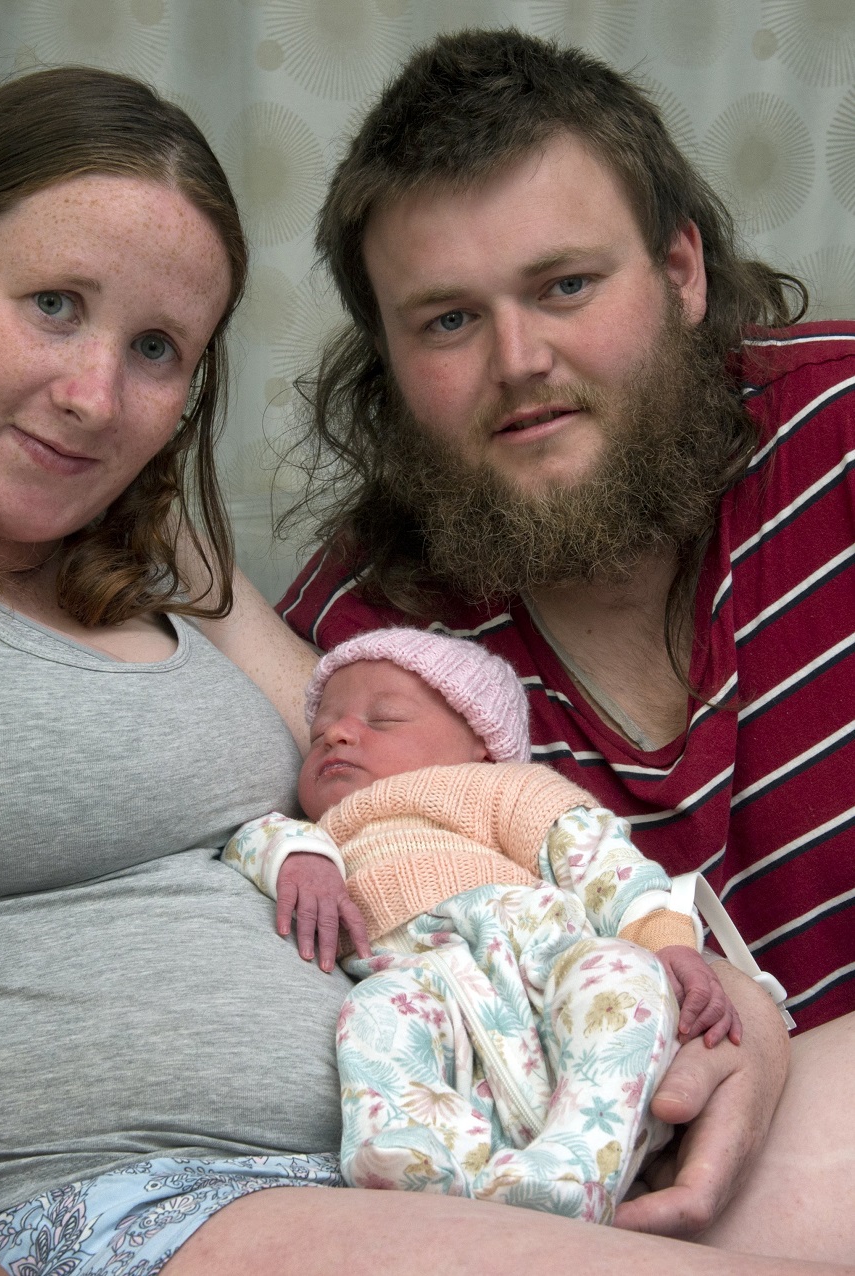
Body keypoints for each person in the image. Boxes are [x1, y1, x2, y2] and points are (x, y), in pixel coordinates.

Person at [0, 57, 843, 1276]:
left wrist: (742, 1017)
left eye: (157, 347)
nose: (94, 396)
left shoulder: (165, 563)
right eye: (52, 303)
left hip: (461, 1125)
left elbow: (399, 798)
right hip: (125, 1195)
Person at [277, 27, 855, 1257]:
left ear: (683, 270)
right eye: (445, 321)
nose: (520, 362)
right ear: (384, 361)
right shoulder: (359, 644)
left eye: (566, 286)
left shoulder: (844, 436)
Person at [223, 626, 738, 1224]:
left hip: (543, 961)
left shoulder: (505, 789)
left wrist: (666, 944)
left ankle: (577, 1168)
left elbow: (603, 863)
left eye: (384, 719)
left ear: (482, 744)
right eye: (319, 733)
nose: (337, 733)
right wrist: (300, 859)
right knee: (376, 1015)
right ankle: (422, 1158)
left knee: (623, 975)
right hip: (425, 988)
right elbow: (250, 836)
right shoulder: (322, 835)